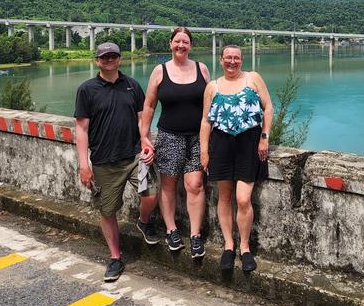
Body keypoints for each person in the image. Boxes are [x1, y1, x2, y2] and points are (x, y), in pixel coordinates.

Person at [74, 42, 159, 282]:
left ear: (119, 59)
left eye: (113, 56)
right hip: (103, 161)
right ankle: (115, 257)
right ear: (97, 61)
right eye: (105, 57)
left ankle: (143, 222)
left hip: (133, 156)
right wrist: (84, 165)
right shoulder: (87, 89)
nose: (109, 60)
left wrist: (146, 144)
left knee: (150, 193)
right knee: (108, 210)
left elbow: (142, 120)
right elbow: (82, 129)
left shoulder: (132, 85)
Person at [200, 44, 273, 272]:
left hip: (249, 143)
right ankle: (228, 246)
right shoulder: (213, 86)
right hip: (221, 144)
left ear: (242, 60)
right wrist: (204, 151)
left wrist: (264, 137)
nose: (233, 62)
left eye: (237, 58)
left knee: (243, 199)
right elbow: (205, 121)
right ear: (221, 60)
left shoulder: (253, 78)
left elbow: (268, 107)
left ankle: (245, 246)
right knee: (224, 196)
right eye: (228, 58)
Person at [140, 27, 211, 258]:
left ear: (191, 45)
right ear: (170, 43)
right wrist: (145, 137)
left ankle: (195, 235)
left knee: (195, 185)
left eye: (186, 42)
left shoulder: (202, 69)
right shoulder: (160, 71)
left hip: (197, 137)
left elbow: (212, 102)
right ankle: (171, 230)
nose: (181, 45)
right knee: (168, 185)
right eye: (177, 41)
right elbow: (149, 106)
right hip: (169, 136)